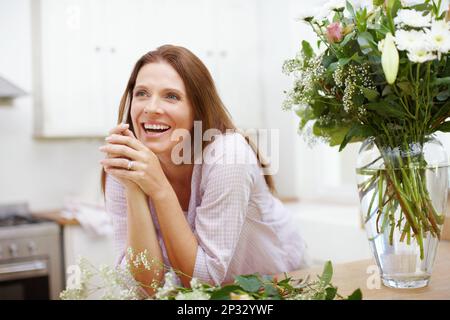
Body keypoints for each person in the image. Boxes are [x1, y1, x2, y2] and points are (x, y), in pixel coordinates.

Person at [99, 45, 308, 295]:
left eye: (171, 96)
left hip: (278, 285)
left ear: (197, 109)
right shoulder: (125, 162)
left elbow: (204, 279)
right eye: (142, 93)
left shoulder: (228, 157)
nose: (151, 108)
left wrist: (159, 189)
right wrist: (134, 189)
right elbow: (146, 286)